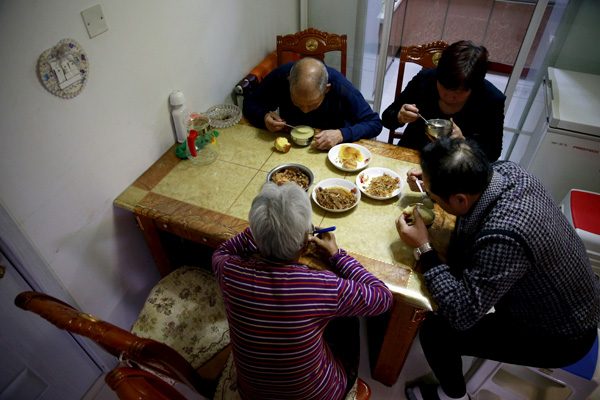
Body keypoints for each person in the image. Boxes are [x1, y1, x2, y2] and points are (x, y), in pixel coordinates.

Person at [396, 137, 600, 400]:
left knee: (437, 332)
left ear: (459, 199)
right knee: (455, 258)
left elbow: (461, 314)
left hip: (560, 335)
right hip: (582, 299)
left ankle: (453, 395)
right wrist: (434, 174)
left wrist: (424, 247)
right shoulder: (510, 171)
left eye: (433, 197)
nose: (430, 199)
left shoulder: (503, 237)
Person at [212, 182, 393, 400]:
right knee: (348, 319)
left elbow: (223, 250)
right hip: (316, 394)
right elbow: (383, 297)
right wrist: (337, 255)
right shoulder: (323, 285)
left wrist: (267, 227)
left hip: (253, 394)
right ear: (305, 243)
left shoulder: (228, 270)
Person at [382, 40, 506, 162]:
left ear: (474, 87)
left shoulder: (491, 99)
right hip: (413, 152)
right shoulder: (425, 80)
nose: (449, 96)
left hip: (455, 164)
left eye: (458, 91)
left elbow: (493, 152)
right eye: (444, 86)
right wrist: (400, 116)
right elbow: (387, 119)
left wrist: (463, 142)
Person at [243, 57, 383, 150]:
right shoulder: (281, 76)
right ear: (289, 83)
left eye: (313, 104)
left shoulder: (340, 88)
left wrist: (342, 134)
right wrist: (264, 116)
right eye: (298, 103)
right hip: (291, 143)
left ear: (326, 89)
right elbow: (250, 101)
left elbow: (374, 123)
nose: (304, 110)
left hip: (330, 148)